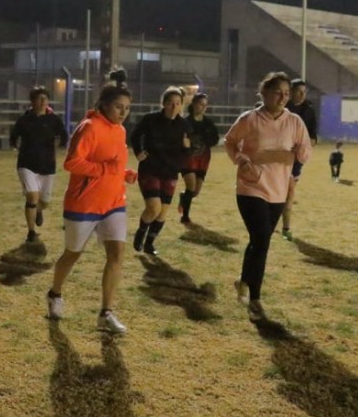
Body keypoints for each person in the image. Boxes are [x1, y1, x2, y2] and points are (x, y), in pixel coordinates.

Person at [46, 69, 135, 334]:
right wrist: (105, 170)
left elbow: (112, 164)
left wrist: (124, 173)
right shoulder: (89, 127)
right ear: (104, 105)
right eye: (118, 107)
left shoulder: (119, 130)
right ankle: (55, 293)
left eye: (127, 108)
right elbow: (71, 162)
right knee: (73, 254)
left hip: (113, 202)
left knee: (117, 254)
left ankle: (106, 313)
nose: (123, 112)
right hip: (83, 204)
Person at [225, 71, 312, 321]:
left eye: (287, 94)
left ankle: (243, 281)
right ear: (264, 93)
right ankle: (255, 299)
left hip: (278, 190)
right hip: (251, 188)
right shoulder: (250, 119)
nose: (283, 97)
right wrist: (240, 159)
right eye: (278, 92)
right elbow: (230, 142)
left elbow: (305, 154)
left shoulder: (295, 122)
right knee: (262, 239)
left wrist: (297, 152)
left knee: (259, 241)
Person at [130, 86, 191, 255]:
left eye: (178, 104)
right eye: (170, 103)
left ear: (181, 106)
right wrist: (139, 151)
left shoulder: (184, 125)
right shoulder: (150, 119)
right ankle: (140, 234)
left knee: (163, 212)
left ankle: (149, 244)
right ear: (163, 104)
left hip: (170, 171)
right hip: (150, 168)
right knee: (153, 207)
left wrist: (186, 151)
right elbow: (135, 135)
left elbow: (187, 149)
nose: (174, 107)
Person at [9, 86, 69, 243]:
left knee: (44, 202)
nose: (43, 102)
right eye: (39, 99)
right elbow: (13, 137)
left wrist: (57, 144)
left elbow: (64, 137)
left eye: (45, 99)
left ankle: (39, 211)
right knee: (32, 196)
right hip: (27, 164)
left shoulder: (53, 119)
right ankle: (31, 232)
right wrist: (17, 146)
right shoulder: (24, 120)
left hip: (47, 166)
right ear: (32, 102)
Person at [280, 78, 317, 241]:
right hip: (278, 157)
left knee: (289, 192)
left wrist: (303, 146)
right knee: (277, 192)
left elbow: (314, 138)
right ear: (291, 92)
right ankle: (273, 221)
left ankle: (286, 228)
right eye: (299, 91)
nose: (302, 95)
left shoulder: (309, 110)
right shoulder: (281, 107)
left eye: (305, 92)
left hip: (296, 159)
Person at [177, 92, 219, 224]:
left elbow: (215, 139)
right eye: (200, 104)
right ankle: (185, 217)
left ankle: (183, 197)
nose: (203, 107)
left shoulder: (208, 123)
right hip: (187, 159)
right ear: (194, 104)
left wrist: (208, 139)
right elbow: (177, 138)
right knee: (191, 186)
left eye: (205, 105)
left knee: (195, 192)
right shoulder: (185, 122)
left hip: (203, 159)